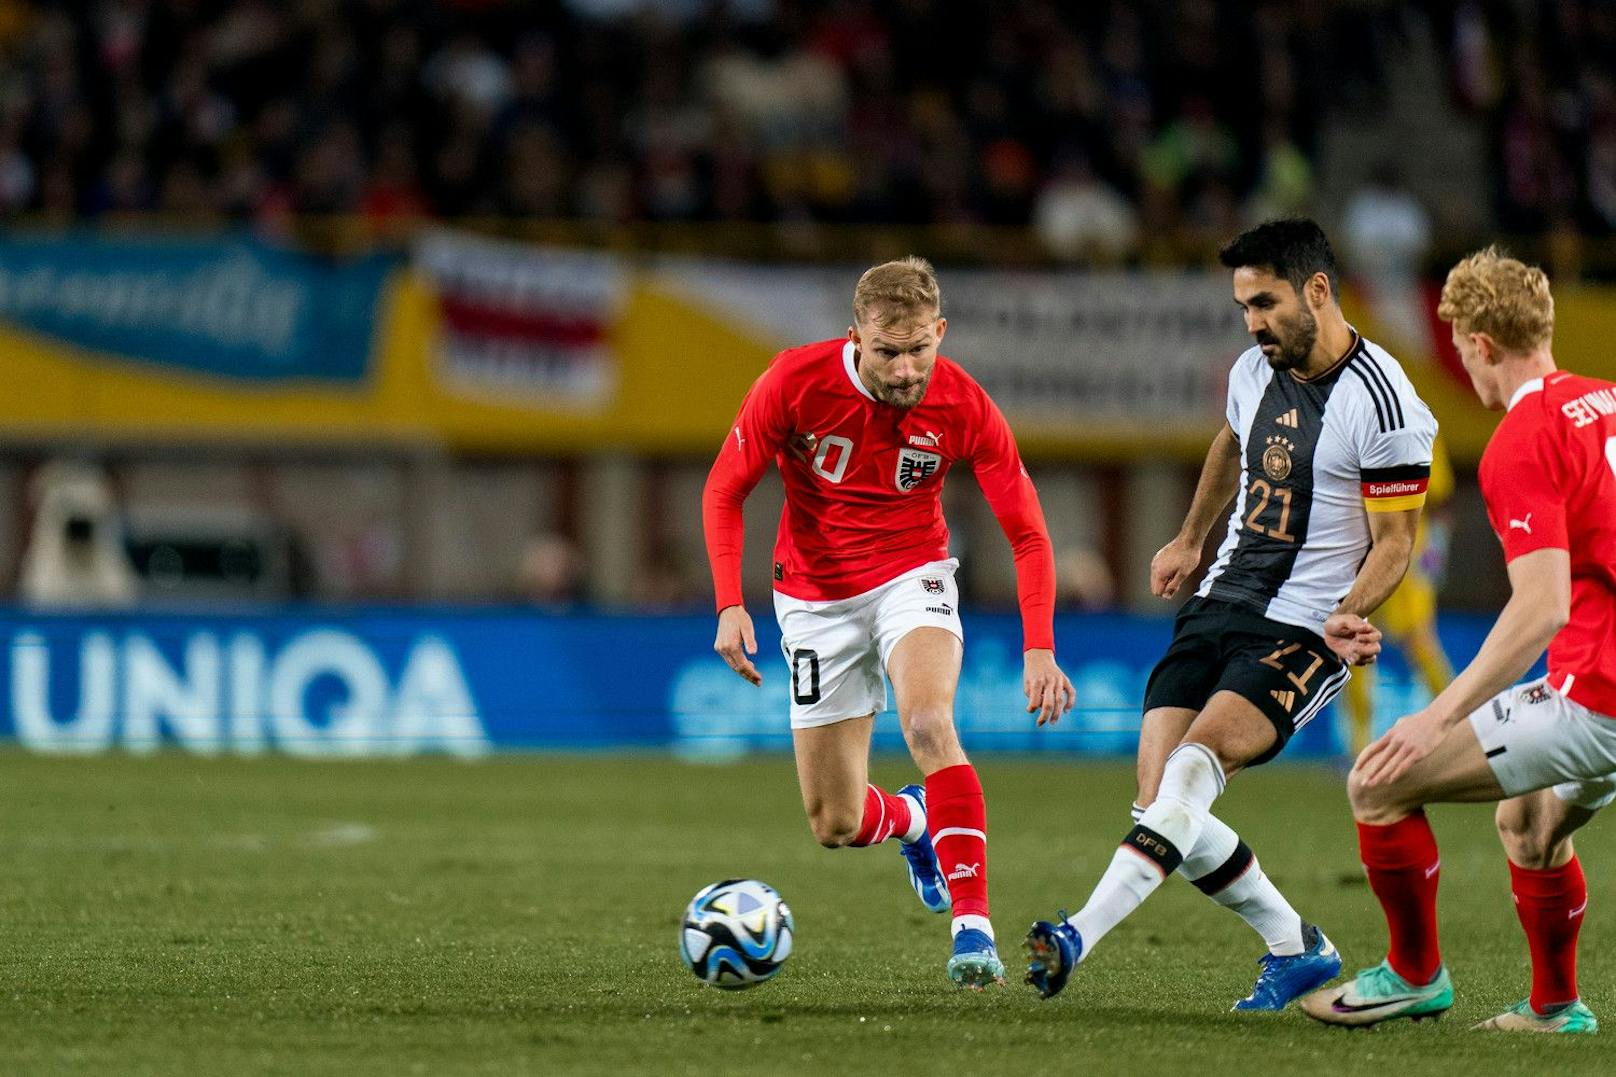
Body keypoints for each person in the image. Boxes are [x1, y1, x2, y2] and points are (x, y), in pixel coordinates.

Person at [1025, 218, 1436, 1011]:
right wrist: (1188, 537)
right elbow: (1229, 442)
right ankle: (1298, 947)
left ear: (1318, 290)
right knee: (1160, 809)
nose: (1252, 322)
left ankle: (1076, 932)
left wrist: (1349, 613)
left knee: (1190, 772)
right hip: (1221, 598)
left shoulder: (1386, 403)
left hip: (1304, 627)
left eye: (1265, 302)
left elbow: (1396, 542)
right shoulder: (1254, 370)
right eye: (1243, 305)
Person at [702, 256, 1074, 989]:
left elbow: (1028, 533)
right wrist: (727, 601)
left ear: (940, 332)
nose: (906, 370)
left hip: (914, 575)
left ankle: (973, 927)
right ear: (855, 337)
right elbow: (724, 489)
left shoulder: (964, 404)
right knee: (834, 822)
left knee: (931, 724)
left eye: (918, 350)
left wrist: (1040, 646)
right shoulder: (794, 382)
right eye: (888, 352)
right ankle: (914, 818)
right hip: (813, 596)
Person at [1302, 248, 1611, 1034]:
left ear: (1478, 345)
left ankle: (1412, 973)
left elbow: (1538, 609)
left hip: (1598, 697)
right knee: (1528, 824)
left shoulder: (1522, 436)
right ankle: (1554, 1008)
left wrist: (1434, 718)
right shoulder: (1607, 401)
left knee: (1376, 778)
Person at [1340, 436, 1456, 755]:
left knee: (1421, 642)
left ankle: (1458, 729)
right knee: (1355, 641)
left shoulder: (1422, 428)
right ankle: (1358, 747)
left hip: (1408, 554)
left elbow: (1442, 500)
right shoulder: (1357, 426)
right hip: (1361, 553)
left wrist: (1437, 549)